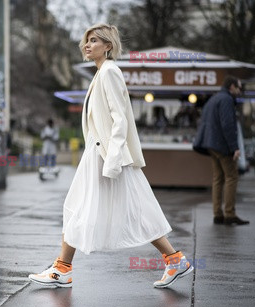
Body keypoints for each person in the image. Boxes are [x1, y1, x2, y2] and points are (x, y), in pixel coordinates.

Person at [29, 24, 193, 289]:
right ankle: (64, 268)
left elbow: (120, 120)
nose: (87, 45)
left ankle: (63, 269)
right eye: (86, 40)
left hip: (106, 155)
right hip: (100, 153)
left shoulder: (109, 72)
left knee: (124, 209)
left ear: (108, 46)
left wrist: (113, 158)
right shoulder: (100, 74)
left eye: (94, 40)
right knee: (89, 207)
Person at [193, 76, 249, 225]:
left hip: (211, 144)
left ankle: (217, 214)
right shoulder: (227, 100)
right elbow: (227, 125)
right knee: (232, 177)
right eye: (238, 87)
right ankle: (230, 214)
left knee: (218, 179)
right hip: (222, 146)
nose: (239, 91)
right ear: (231, 86)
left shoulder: (214, 99)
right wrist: (234, 147)